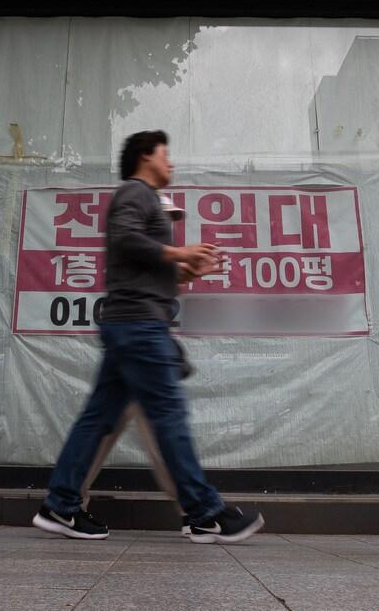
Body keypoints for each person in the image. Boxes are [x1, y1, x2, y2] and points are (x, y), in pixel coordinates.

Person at [31, 130, 264, 544]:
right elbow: (124, 237)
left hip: (131, 323)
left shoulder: (145, 200)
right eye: (164, 154)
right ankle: (205, 513)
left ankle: (61, 504)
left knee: (99, 419)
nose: (170, 162)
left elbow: (149, 271)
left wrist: (188, 270)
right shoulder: (135, 193)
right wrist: (178, 253)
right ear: (144, 157)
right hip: (139, 326)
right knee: (168, 417)